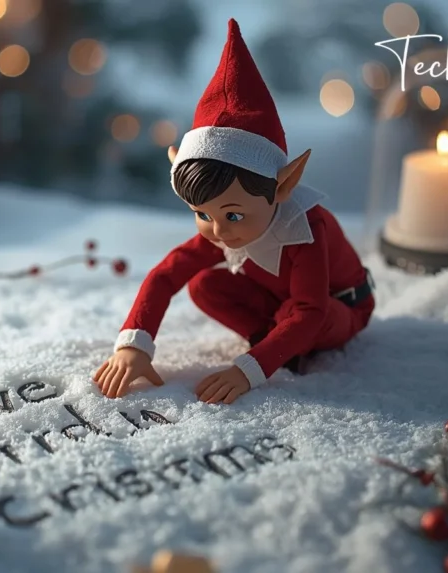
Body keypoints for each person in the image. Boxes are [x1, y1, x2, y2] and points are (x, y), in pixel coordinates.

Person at [93, 19, 375, 404]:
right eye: (203, 214)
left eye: (233, 215)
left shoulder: (304, 228)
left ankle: (282, 345)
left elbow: (310, 310)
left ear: (283, 187)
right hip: (278, 304)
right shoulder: (225, 230)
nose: (220, 232)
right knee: (204, 284)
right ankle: (276, 339)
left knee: (309, 314)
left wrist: (248, 369)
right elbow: (164, 276)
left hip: (336, 308)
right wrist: (134, 345)